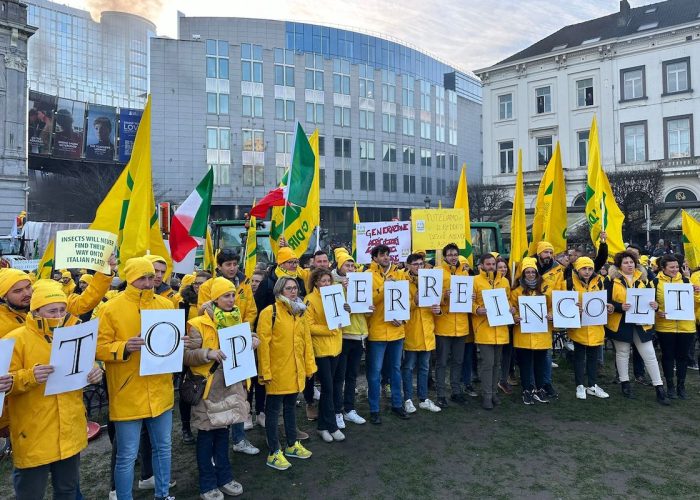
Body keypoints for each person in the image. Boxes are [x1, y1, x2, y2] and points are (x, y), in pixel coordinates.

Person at [5, 280, 103, 499]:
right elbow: (4, 383)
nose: (58, 315)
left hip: (69, 428)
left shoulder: (74, 332)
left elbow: (86, 363)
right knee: (30, 494)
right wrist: (29, 376)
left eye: (62, 309)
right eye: (51, 310)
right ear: (36, 310)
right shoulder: (15, 339)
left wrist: (95, 372)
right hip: (33, 433)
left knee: (67, 490)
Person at [96, 257, 176, 500]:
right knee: (127, 456)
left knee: (163, 449)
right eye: (142, 277)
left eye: (151, 277)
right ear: (129, 278)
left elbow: (171, 343)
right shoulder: (110, 309)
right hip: (127, 392)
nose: (148, 282)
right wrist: (124, 347)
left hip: (160, 389)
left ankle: (162, 495)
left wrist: (180, 343)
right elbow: (98, 348)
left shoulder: (166, 305)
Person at [185, 277, 250, 499]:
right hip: (208, 390)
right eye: (226, 295)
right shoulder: (197, 323)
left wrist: (252, 340)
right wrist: (207, 353)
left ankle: (225, 477)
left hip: (230, 387)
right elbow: (186, 356)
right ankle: (207, 485)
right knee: (206, 438)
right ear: (215, 298)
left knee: (223, 434)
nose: (231, 299)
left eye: (233, 295)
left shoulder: (237, 319)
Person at [257, 277, 315, 470]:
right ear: (279, 291)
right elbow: (263, 346)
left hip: (295, 370)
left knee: (290, 408)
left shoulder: (300, 313)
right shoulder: (269, 312)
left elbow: (306, 342)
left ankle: (291, 444)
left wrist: (309, 367)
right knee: (273, 412)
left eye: (295, 288)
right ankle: (274, 451)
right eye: (288, 288)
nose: (293, 291)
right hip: (276, 372)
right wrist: (264, 372)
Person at [605, 251, 669, 405]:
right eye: (626, 262)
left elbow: (651, 300)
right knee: (622, 353)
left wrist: (655, 305)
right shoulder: (611, 280)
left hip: (641, 323)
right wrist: (620, 306)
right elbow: (606, 302)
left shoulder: (644, 279)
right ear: (619, 265)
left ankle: (659, 387)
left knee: (649, 354)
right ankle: (625, 383)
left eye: (632, 262)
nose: (629, 265)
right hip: (620, 323)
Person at [366, 245, 408, 423]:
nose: (386, 257)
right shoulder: (367, 276)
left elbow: (406, 300)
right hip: (376, 332)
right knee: (374, 373)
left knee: (396, 370)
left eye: (387, 254)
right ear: (374, 258)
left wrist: (403, 319)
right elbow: (367, 301)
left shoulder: (399, 274)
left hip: (396, 331)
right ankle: (374, 409)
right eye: (382, 255)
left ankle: (397, 405)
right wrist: (384, 288)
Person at [305, 268, 345, 442]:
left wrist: (347, 310)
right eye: (323, 281)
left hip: (336, 348)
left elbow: (341, 320)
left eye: (329, 280)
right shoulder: (310, 299)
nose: (326, 284)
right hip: (320, 350)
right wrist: (329, 330)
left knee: (334, 388)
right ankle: (331, 426)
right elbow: (309, 326)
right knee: (327, 389)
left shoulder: (337, 296)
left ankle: (323, 426)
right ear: (315, 282)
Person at [330, 249, 369, 425]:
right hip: (344, 336)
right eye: (347, 265)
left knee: (352, 375)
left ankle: (349, 409)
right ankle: (337, 411)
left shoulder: (361, 282)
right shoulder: (333, 285)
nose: (351, 267)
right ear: (340, 267)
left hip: (360, 336)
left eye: (353, 265)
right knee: (340, 377)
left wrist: (369, 309)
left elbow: (366, 312)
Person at [654, 254, 700, 399]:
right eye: (671, 267)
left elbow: (696, 303)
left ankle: (681, 386)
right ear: (663, 268)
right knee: (667, 356)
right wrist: (657, 311)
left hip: (686, 327)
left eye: (676, 267)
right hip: (665, 327)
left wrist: (696, 292)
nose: (675, 269)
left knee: (682, 357)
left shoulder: (687, 281)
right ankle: (670, 386)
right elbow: (651, 303)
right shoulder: (655, 282)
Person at [567, 257, 613, 400]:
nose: (587, 272)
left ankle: (592, 385)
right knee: (579, 357)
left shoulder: (599, 281)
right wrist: (574, 309)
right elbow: (564, 303)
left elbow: (602, 301)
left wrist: (608, 307)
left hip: (595, 326)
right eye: (584, 268)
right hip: (579, 327)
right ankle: (580, 385)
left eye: (590, 269)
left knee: (593, 357)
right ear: (578, 269)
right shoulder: (569, 283)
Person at [472, 253, 513, 410]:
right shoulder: (475, 281)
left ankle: (494, 392)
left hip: (500, 328)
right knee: (488, 364)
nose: (491, 267)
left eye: (493, 264)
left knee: (497, 364)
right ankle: (487, 395)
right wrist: (477, 309)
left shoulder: (504, 281)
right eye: (488, 264)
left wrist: (511, 308)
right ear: (481, 265)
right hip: (484, 328)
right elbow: (470, 302)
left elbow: (508, 299)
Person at [402, 253, 442, 413]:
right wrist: (414, 302)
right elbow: (399, 306)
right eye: (415, 264)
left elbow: (437, 305)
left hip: (427, 331)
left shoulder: (431, 280)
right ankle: (408, 399)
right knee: (408, 367)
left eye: (421, 264)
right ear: (408, 265)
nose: (419, 267)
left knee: (425, 368)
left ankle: (424, 398)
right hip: (411, 331)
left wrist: (438, 310)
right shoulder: (402, 281)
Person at [511, 258, 553, 405]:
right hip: (523, 334)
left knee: (540, 363)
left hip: (542, 333)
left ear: (537, 273)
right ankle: (527, 389)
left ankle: (540, 388)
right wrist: (515, 316)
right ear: (522, 275)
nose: (530, 275)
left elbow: (551, 306)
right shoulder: (516, 291)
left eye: (532, 272)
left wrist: (551, 314)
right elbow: (513, 308)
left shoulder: (546, 289)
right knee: (525, 364)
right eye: (527, 272)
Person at [433, 243, 470, 408]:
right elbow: (431, 297)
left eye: (455, 254)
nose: (453, 257)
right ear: (445, 256)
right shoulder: (437, 272)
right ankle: (441, 394)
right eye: (450, 254)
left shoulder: (466, 272)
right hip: (444, 325)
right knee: (441, 362)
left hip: (461, 325)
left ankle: (456, 391)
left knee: (458, 361)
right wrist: (443, 296)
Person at [495, 256, 517, 395]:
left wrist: (512, 308)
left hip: (507, 322)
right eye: (500, 267)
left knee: (507, 353)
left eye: (504, 267)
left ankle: (503, 379)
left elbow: (508, 299)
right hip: (495, 323)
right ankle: (496, 380)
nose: (502, 269)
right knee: (497, 355)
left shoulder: (508, 282)